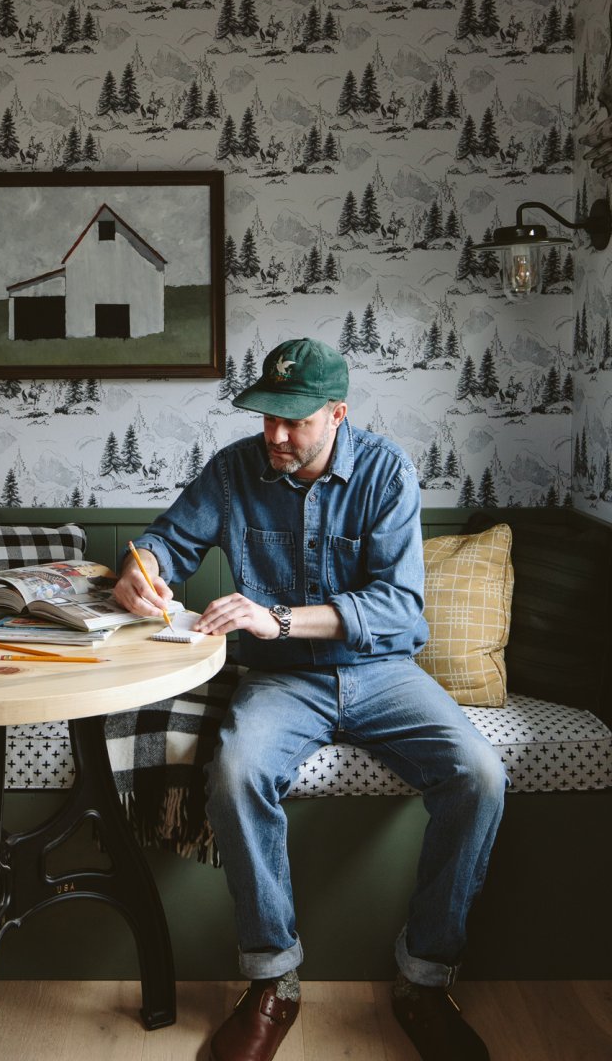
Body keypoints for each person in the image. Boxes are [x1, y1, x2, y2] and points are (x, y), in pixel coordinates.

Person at [114, 337, 506, 1061]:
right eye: (267, 417)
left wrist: (281, 617)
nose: (275, 435)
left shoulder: (387, 471)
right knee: (236, 773)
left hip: (382, 672)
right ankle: (273, 981)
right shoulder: (233, 469)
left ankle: (424, 980)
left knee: (480, 775)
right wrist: (141, 568)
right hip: (281, 680)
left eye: (293, 421)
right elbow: (166, 541)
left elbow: (398, 607)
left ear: (337, 414)